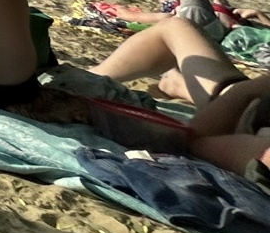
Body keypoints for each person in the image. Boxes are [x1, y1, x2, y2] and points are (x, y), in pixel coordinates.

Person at [86, 18, 270, 179]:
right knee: (176, 26)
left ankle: (86, 78)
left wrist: (248, 89)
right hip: (245, 101)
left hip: (237, 108)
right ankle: (178, 85)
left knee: (174, 27)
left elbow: (197, 140)